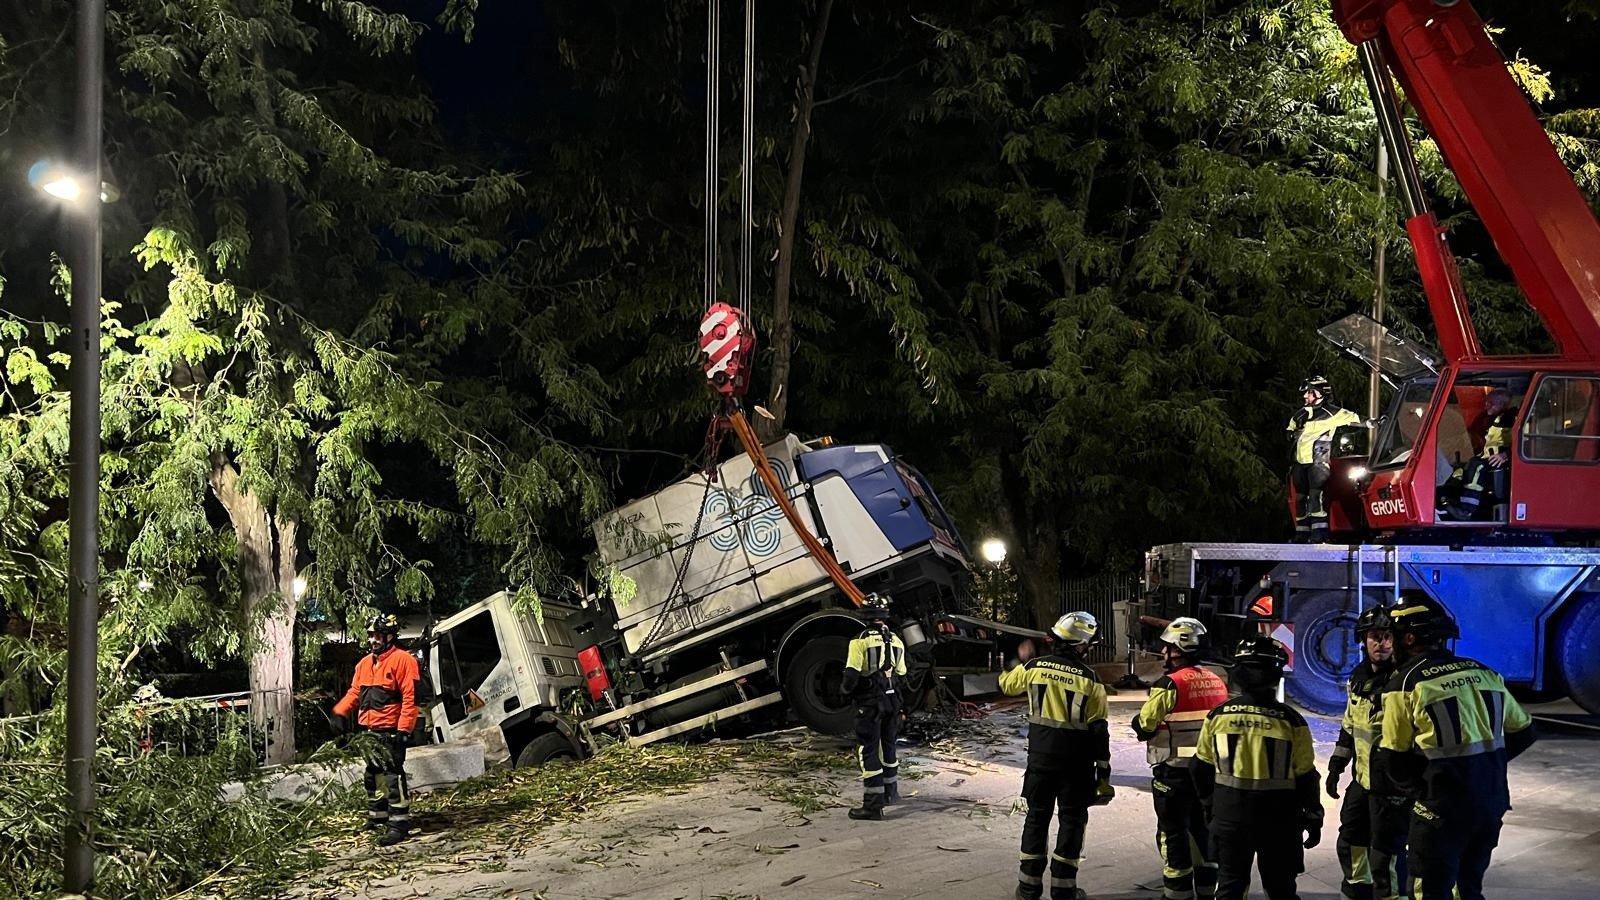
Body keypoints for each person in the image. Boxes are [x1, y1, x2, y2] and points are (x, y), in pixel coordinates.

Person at [1374, 590, 1536, 900]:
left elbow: (1392, 758)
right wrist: (1488, 766)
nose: (1389, 644)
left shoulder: (1405, 684)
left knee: (1427, 890)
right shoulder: (1484, 672)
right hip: (1491, 802)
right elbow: (1525, 732)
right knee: (1468, 887)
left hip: (1441, 809)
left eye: (1393, 636)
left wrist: (1422, 791)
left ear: (1408, 639)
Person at [1191, 635, 1322, 900]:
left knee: (1230, 887)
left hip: (1229, 817)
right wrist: (1313, 815)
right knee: (1281, 889)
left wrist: (1209, 806)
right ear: (1276, 675)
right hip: (1279, 821)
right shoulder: (1292, 721)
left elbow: (1200, 767)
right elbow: (1306, 775)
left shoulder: (1218, 716)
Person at [999, 611, 1115, 900]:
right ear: (1080, 645)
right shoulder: (1091, 680)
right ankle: (1064, 889)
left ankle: (1028, 887)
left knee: (1036, 819)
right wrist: (1103, 775)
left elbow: (1006, 685)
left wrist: (1020, 659)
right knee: (1072, 821)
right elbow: (1099, 731)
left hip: (1039, 762)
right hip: (1076, 765)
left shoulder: (1034, 667)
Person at [1133, 617, 1229, 900]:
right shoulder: (1216, 680)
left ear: (1179, 650)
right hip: (1210, 772)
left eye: (1167, 648)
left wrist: (1138, 724)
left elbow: (1146, 725)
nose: (1163, 653)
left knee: (1173, 835)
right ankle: (1206, 891)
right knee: (1204, 832)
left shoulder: (1169, 684)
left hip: (1173, 772)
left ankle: (1177, 895)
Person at [1326, 606, 1410, 900]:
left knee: (1387, 855)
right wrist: (1337, 764)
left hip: (1392, 787)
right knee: (1350, 842)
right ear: (1363, 640)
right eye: (1375, 636)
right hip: (1362, 782)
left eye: (1388, 637)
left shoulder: (1403, 681)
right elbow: (1350, 724)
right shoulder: (1358, 678)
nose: (1382, 644)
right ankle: (1356, 892)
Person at [332, 613, 422, 846]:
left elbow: (410, 699)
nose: (373, 640)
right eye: (371, 635)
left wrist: (404, 730)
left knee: (392, 776)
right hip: (370, 730)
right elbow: (354, 693)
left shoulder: (404, 660)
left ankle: (399, 824)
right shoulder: (364, 664)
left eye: (377, 635)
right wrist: (339, 712)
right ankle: (378, 817)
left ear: (390, 636)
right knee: (372, 776)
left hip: (391, 729)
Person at [842, 593, 907, 821]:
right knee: (889, 747)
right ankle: (891, 793)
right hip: (892, 702)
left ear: (865, 615)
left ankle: (872, 805)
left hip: (870, 704)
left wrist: (845, 692)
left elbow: (850, 676)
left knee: (868, 750)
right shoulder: (896, 640)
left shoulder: (859, 640)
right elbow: (902, 673)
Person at [1287, 375, 1361, 537]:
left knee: (1315, 495)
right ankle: (1302, 533)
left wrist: (1376, 422)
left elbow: (1357, 420)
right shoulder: (1299, 415)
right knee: (1300, 498)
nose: (1305, 396)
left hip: (1318, 462)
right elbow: (1289, 431)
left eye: (1309, 392)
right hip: (1300, 462)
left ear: (1320, 393)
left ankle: (1319, 532)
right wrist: (1291, 434)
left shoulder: (1333, 412)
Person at [1447, 388, 1515, 520]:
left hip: (1503, 461)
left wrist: (1505, 455)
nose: (1486, 405)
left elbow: (1526, 442)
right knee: (1459, 471)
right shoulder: (1487, 418)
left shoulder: (1513, 419)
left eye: (1491, 403)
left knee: (1477, 466)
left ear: (1502, 404)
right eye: (1486, 402)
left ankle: (1466, 510)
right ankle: (1448, 503)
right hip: (1487, 457)